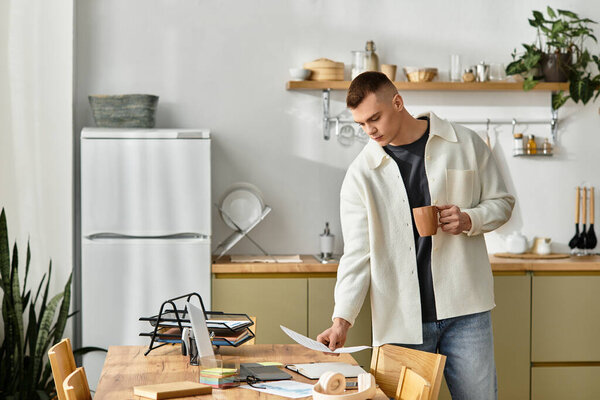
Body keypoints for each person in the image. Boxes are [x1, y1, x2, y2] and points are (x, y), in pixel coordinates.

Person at [316, 72, 514, 399]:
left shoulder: (464, 143)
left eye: (375, 118)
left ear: (398, 102)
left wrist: (469, 219)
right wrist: (342, 320)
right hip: (400, 319)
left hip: (466, 312)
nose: (370, 130)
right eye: (362, 124)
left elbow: (502, 203)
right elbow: (357, 254)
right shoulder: (361, 174)